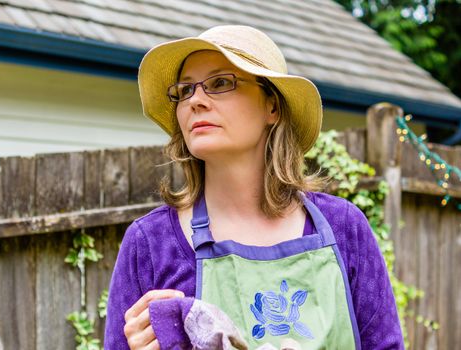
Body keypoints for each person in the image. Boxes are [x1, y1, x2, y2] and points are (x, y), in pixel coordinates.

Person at [104, 25, 403, 350]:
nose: (196, 101)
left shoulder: (345, 228)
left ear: (271, 106)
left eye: (220, 83)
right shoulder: (150, 244)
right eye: (184, 90)